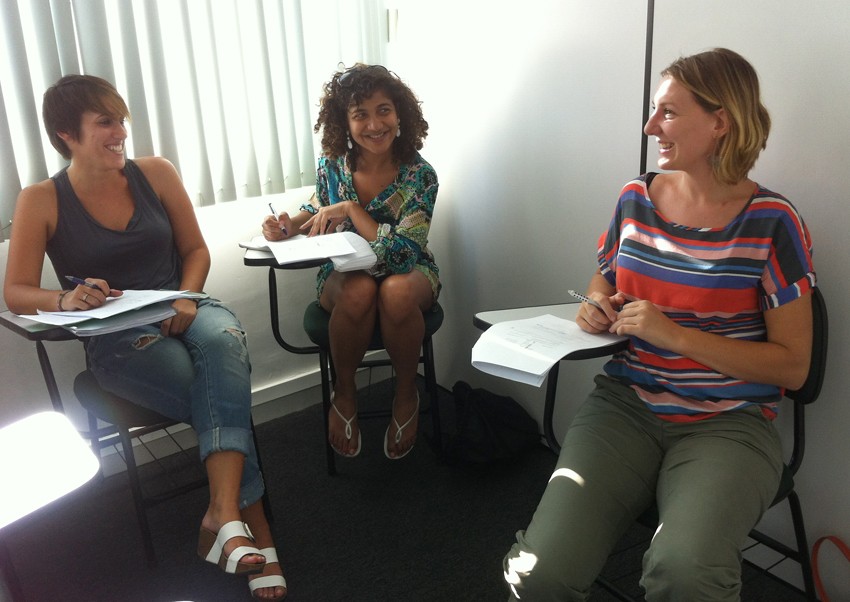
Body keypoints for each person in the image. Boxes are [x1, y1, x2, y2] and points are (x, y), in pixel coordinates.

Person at [503, 48, 816, 601]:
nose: (651, 127)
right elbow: (604, 278)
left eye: (667, 112)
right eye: (654, 111)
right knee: (539, 573)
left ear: (720, 122)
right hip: (627, 404)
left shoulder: (773, 221)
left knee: (684, 573)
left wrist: (674, 335)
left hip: (729, 422)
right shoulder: (635, 198)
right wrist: (595, 304)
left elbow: (793, 365)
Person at [3, 75, 286, 601]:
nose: (120, 133)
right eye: (104, 123)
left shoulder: (156, 173)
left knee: (225, 343)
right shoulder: (41, 199)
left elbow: (195, 251)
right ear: (66, 134)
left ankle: (223, 515)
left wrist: (186, 297)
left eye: (120, 120)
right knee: (211, 390)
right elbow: (16, 291)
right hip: (116, 336)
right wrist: (64, 298)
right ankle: (251, 527)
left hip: (184, 306)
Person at [261, 64, 440, 460]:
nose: (374, 124)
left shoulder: (420, 176)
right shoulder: (333, 163)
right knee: (359, 289)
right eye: (361, 114)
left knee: (393, 291)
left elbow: (402, 256)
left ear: (400, 114)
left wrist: (352, 210)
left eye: (384, 110)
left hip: (410, 273)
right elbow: (318, 207)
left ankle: (406, 392)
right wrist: (288, 225)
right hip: (345, 271)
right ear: (345, 121)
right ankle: (344, 392)